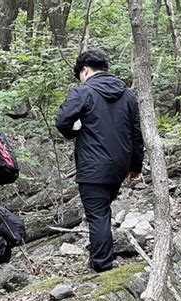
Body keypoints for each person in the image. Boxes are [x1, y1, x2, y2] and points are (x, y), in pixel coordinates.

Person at [55, 50, 144, 273]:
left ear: (85, 70)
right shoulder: (128, 95)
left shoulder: (83, 92)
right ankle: (100, 259)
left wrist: (75, 131)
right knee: (103, 212)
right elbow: (136, 134)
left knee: (98, 216)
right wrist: (135, 167)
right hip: (119, 166)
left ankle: (102, 267)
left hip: (93, 166)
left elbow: (62, 121)